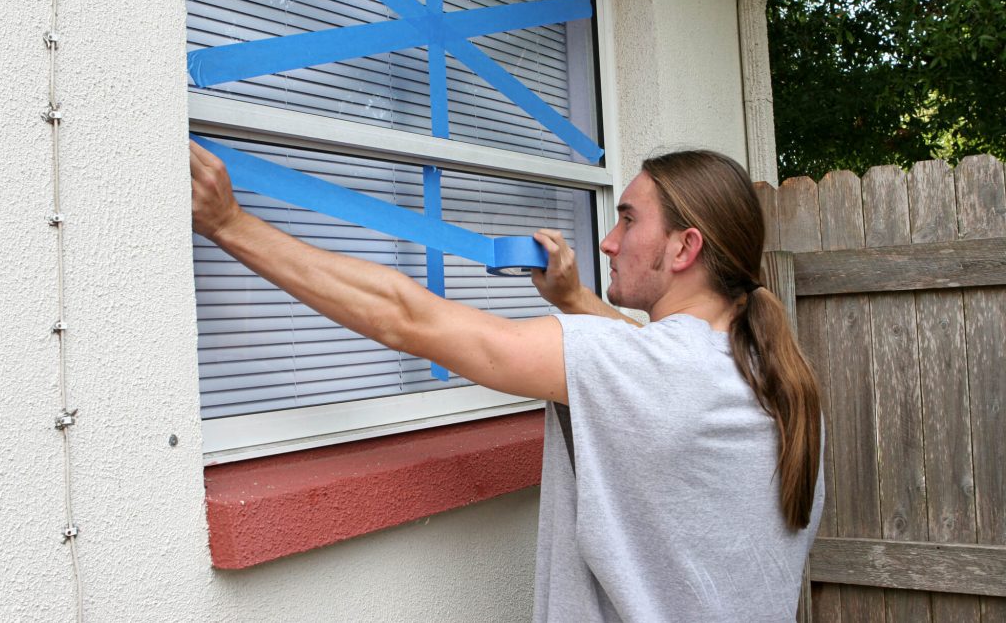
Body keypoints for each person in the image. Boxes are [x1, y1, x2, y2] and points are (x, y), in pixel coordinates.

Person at [190, 142, 823, 622]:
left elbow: (406, 317)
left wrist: (230, 225)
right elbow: (651, 368)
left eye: (629, 220)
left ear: (684, 248)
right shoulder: (769, 374)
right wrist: (576, 301)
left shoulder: (655, 370)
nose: (608, 241)